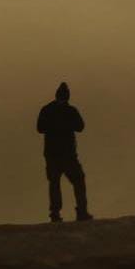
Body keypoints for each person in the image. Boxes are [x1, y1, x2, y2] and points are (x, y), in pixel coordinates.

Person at [36, 81, 93, 223]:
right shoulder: (71, 111)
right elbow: (80, 127)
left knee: (54, 183)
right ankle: (82, 212)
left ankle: (55, 214)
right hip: (68, 154)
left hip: (52, 154)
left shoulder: (47, 110)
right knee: (78, 180)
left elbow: (40, 128)